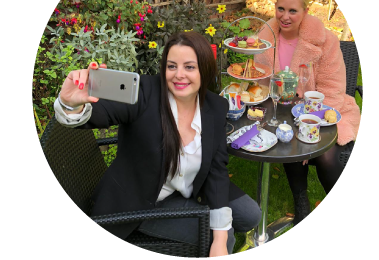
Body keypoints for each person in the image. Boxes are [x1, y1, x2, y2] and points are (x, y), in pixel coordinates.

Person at [54, 31, 261, 256]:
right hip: (142, 201)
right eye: (172, 66)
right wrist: (70, 104)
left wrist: (219, 235)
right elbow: (100, 113)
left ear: (205, 69)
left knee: (250, 215)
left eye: (189, 67)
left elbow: (217, 170)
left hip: (191, 185)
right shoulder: (143, 92)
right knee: (221, 236)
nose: (179, 75)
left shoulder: (216, 107)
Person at [255, 0, 361, 225]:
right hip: (279, 110)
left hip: (322, 111)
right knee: (287, 138)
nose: (284, 16)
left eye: (293, 11)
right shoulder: (265, 38)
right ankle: (301, 202)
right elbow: (260, 83)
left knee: (325, 156)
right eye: (280, 8)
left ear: (305, 10)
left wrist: (308, 127)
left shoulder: (326, 41)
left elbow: (333, 89)